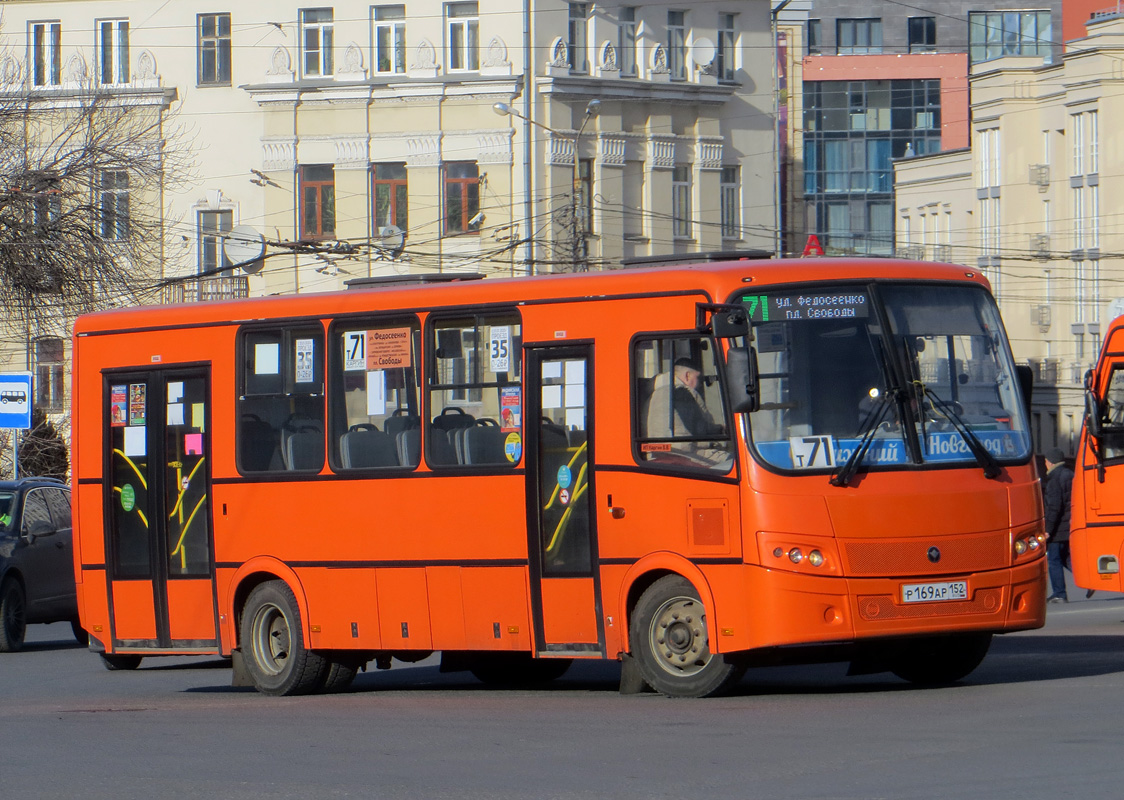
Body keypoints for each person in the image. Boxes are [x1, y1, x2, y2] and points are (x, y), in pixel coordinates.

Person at [645, 357, 728, 467]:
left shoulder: (652, 395)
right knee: (732, 460)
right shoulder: (684, 393)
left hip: (655, 454)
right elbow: (701, 431)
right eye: (698, 377)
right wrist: (722, 429)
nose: (699, 383)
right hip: (684, 455)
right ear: (687, 375)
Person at [1042, 447, 1075, 603]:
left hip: (1058, 527)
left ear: (1050, 462)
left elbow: (1054, 506)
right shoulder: (1070, 474)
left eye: (1046, 461)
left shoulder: (1054, 479)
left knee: (1054, 559)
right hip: (1070, 524)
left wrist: (1048, 530)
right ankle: (1085, 579)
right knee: (1065, 557)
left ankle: (1059, 593)